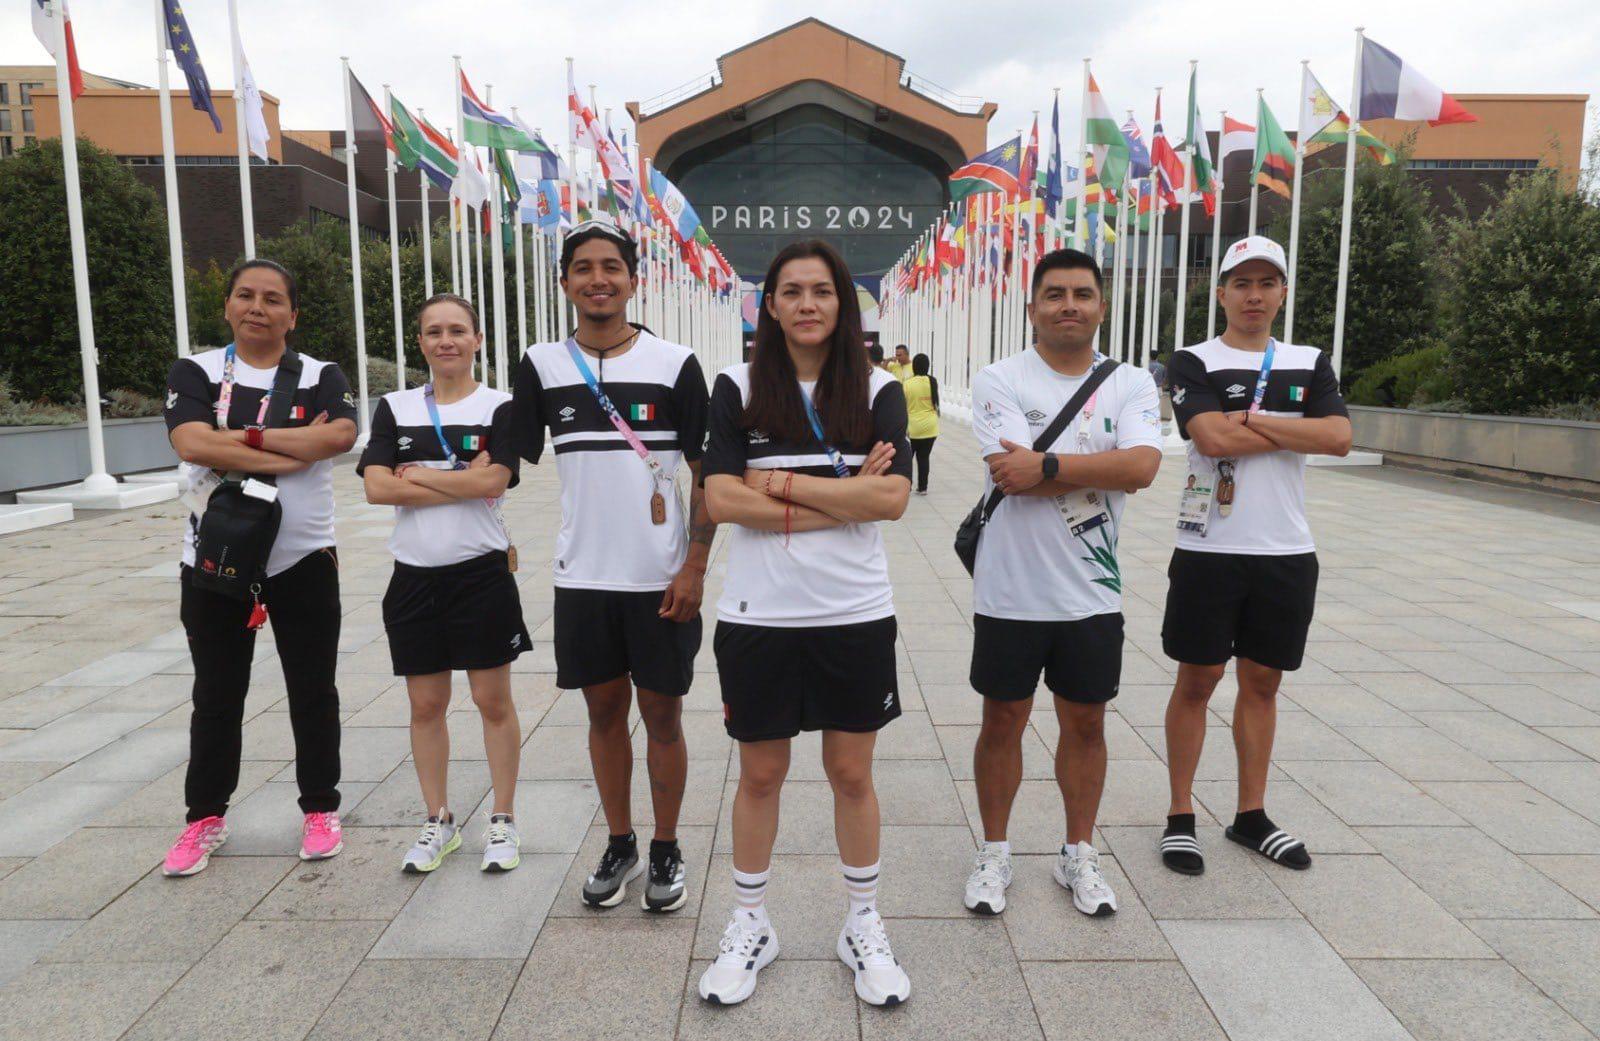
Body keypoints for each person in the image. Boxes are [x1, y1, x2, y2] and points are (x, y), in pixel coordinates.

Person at [696, 240, 913, 1009]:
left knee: (851, 774)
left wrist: (780, 483)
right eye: (791, 290)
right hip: (759, 615)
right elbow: (721, 498)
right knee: (760, 774)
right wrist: (841, 496)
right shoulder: (737, 385)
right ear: (771, 305)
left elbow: (891, 500)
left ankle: (863, 922)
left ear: (843, 303)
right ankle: (751, 921)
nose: (808, 303)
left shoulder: (880, 389)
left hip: (854, 613)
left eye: (822, 290)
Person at [512, 219, 713, 912]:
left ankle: (666, 845)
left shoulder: (676, 363)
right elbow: (502, 459)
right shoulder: (541, 364)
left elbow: (706, 472)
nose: (598, 279)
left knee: (663, 715)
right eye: (583, 268)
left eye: (611, 267)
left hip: (659, 577)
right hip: (582, 578)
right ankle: (620, 841)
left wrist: (695, 565)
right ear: (565, 281)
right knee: (602, 712)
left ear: (633, 279)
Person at [963, 249, 1163, 917]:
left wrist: (1048, 464)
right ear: (1032, 308)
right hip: (1009, 590)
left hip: (1091, 593)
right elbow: (1010, 474)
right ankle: (994, 849)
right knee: (1002, 721)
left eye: (1082, 293)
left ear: (1102, 306)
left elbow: (1141, 469)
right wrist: (1100, 463)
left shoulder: (1131, 382)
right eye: (1054, 294)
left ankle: (1078, 850)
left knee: (1087, 724)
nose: (1068, 305)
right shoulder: (1000, 377)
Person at [1158, 236, 1351, 875]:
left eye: (1267, 283)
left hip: (1285, 550)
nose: (1254, 295)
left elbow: (1338, 437)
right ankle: (1180, 815)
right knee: (1198, 680)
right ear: (1221, 293)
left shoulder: (1309, 360)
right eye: (1241, 283)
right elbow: (1211, 440)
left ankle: (1251, 816)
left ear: (1283, 294)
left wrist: (1246, 418)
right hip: (1209, 549)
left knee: (1263, 683)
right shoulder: (1193, 360)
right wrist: (1291, 427)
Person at [160, 258, 359, 877]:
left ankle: (320, 809)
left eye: (273, 299)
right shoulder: (195, 370)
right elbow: (190, 442)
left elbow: (338, 438)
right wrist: (287, 445)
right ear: (227, 306)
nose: (257, 307)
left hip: (303, 557)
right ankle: (204, 818)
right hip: (215, 560)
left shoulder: (322, 375)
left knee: (313, 690)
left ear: (291, 316)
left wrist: (236, 437)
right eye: (245, 295)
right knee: (216, 695)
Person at [359, 294, 527, 874]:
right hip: (413, 579)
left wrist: (419, 475)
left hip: (480, 576)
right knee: (426, 705)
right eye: (434, 331)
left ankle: (502, 818)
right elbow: (376, 488)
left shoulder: (501, 407)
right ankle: (438, 819)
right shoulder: (395, 406)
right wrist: (462, 477)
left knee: (491, 702)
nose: (446, 340)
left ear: (477, 340)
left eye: (458, 330)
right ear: (422, 342)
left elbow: (495, 482)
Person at [903, 353, 940, 495]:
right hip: (931, 427)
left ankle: (907, 486)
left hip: (912, 428)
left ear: (914, 366)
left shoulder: (907, 383)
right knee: (924, 457)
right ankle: (923, 488)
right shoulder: (932, 381)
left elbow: (902, 405)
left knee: (907, 459)